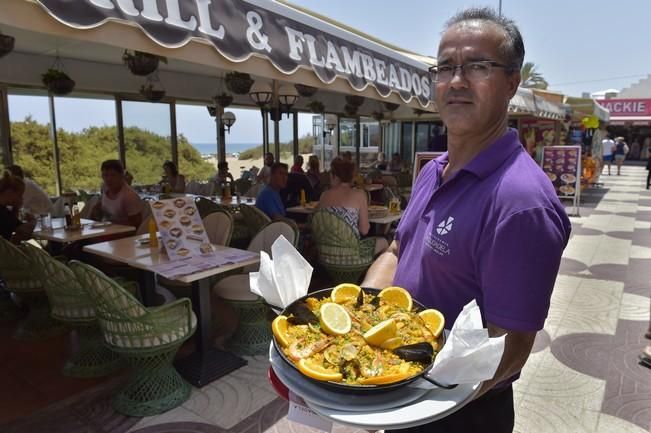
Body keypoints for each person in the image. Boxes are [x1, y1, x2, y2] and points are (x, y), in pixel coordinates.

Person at [362, 8, 571, 433]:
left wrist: (420, 401)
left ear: (512, 83)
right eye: (445, 68)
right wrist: (363, 320)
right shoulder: (431, 172)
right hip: (399, 383)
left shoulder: (520, 201)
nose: (456, 81)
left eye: (477, 66)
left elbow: (509, 346)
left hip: (459, 412)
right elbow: (399, 250)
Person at [318, 157, 388, 255]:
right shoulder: (359, 195)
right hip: (351, 256)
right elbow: (364, 231)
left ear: (335, 176)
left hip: (326, 256)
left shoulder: (324, 196)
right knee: (384, 242)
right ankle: (373, 270)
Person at [92, 160, 143, 227]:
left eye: (113, 175)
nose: (109, 179)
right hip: (105, 229)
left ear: (121, 176)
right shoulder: (104, 187)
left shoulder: (129, 196)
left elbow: (136, 226)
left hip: (123, 234)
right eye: (105, 175)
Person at [0, 171, 36, 243]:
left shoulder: (4, 211)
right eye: (19, 195)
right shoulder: (3, 213)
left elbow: (13, 225)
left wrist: (16, 208)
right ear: (9, 193)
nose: (21, 199)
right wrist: (33, 221)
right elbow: (24, 232)